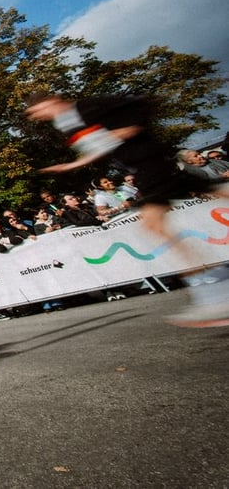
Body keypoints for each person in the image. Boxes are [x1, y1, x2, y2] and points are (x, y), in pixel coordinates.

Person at [25, 92, 229, 327]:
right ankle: (215, 291)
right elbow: (101, 147)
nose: (39, 118)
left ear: (49, 102)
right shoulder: (68, 125)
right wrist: (73, 164)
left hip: (150, 162)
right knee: (215, 190)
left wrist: (128, 129)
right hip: (141, 168)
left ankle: (215, 293)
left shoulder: (89, 105)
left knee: (154, 225)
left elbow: (142, 103)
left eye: (38, 111)